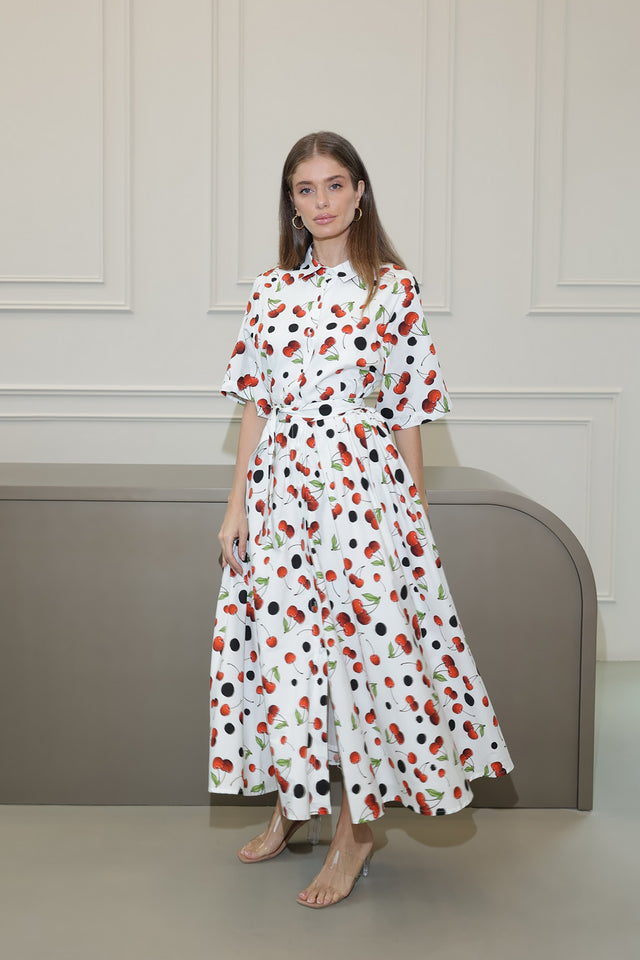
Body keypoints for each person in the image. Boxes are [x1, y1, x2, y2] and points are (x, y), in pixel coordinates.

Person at [209, 131, 513, 908]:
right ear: (292, 202)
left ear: (360, 191)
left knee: (367, 660)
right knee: (287, 654)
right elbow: (256, 406)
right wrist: (236, 505)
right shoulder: (270, 291)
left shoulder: (393, 290)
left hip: (362, 496)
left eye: (335, 184)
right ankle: (293, 803)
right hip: (280, 495)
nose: (322, 202)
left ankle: (355, 830)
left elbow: (408, 410)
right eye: (305, 189)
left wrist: (411, 514)